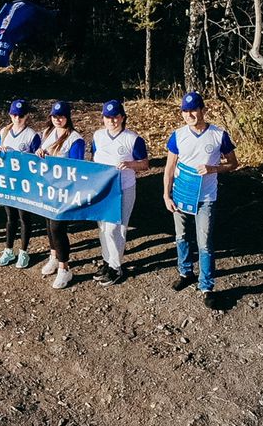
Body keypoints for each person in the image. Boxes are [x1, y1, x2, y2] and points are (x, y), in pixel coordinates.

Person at [163, 91, 240, 310]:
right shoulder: (177, 136)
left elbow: (234, 164)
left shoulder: (218, 135)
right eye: (185, 111)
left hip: (206, 198)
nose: (190, 115)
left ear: (203, 110)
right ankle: (185, 272)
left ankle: (207, 286)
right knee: (181, 236)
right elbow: (169, 168)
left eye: (194, 110)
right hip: (181, 195)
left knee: (204, 242)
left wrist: (213, 168)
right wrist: (166, 195)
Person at [90, 98, 149, 284]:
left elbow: (145, 164)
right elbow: (94, 158)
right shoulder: (98, 136)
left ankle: (116, 267)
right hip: (103, 188)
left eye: (115, 117)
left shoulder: (133, 139)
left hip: (123, 188)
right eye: (108, 117)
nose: (112, 120)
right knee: (102, 227)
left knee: (116, 228)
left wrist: (130, 164)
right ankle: (107, 261)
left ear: (122, 117)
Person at [36, 101, 88, 290]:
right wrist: (40, 153)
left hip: (64, 190)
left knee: (58, 228)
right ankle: (53, 256)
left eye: (61, 116)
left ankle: (64, 268)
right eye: (54, 116)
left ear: (68, 117)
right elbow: (40, 156)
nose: (57, 119)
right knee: (49, 225)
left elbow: (77, 166)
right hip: (48, 187)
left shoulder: (75, 139)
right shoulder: (47, 133)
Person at [0, 99, 41, 269]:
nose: (17, 118)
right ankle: (8, 249)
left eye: (21, 115)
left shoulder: (31, 135)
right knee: (10, 217)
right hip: (9, 181)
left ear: (27, 116)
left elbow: (37, 159)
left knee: (24, 218)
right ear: (10, 115)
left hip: (24, 182)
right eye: (14, 115)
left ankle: (23, 251)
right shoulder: (4, 132)